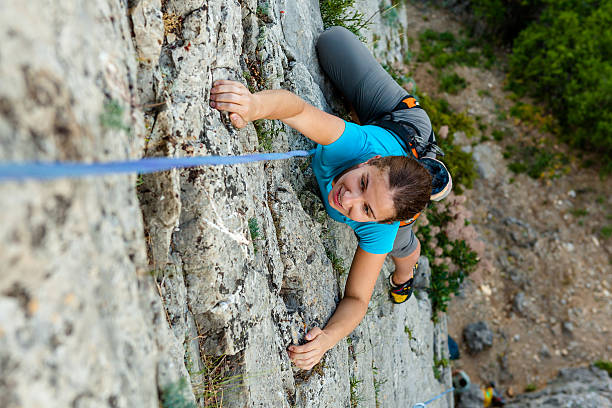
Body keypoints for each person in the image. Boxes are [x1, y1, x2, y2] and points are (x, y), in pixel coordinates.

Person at [209, 26, 450, 370]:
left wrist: (327, 339)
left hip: (399, 187)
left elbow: (356, 299)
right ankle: (418, 163)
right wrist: (254, 104)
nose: (349, 198)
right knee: (333, 41)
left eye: (365, 209)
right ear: (370, 162)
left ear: (380, 220)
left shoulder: (383, 228)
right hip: (403, 124)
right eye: (363, 181)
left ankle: (405, 271)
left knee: (402, 246)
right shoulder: (355, 145)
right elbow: (295, 109)